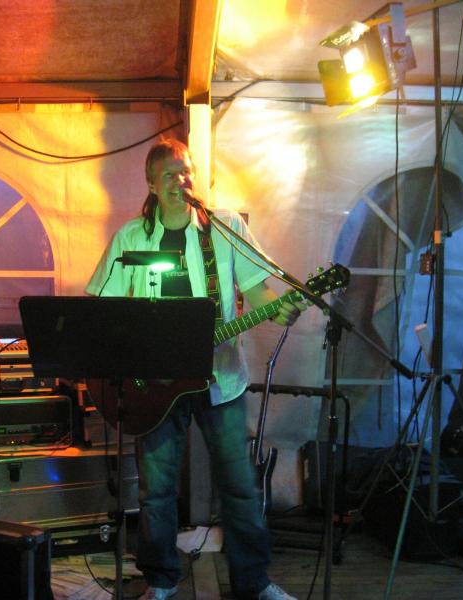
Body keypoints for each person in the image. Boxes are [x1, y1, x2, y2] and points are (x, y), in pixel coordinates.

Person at [85, 138, 304, 600]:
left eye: (185, 172)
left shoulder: (225, 227)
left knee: (239, 487)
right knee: (156, 490)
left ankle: (254, 582)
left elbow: (257, 289)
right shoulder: (131, 238)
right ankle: (161, 581)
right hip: (154, 387)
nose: (180, 181)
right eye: (169, 174)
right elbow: (102, 311)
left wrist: (279, 307)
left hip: (220, 380)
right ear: (151, 184)